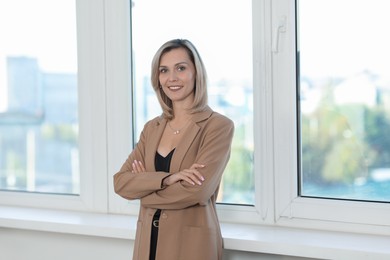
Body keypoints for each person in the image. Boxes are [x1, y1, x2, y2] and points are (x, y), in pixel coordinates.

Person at [114, 39, 234, 260]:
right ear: (157, 79)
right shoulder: (152, 128)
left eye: (181, 68)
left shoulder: (217, 126)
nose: (172, 78)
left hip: (190, 246)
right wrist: (167, 179)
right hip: (148, 243)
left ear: (196, 73)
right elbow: (121, 183)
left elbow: (197, 191)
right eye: (164, 70)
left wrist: (144, 189)